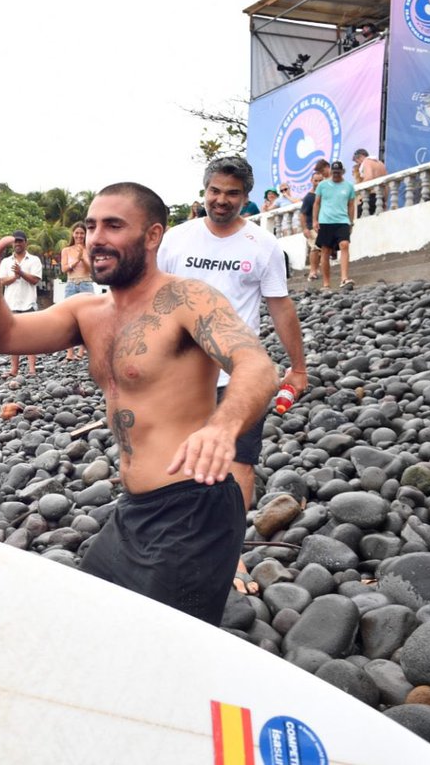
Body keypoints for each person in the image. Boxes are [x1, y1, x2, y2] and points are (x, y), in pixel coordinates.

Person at [0, 185, 277, 625]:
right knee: (92, 626)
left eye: (113, 226)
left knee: (161, 646)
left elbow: (257, 365)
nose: (96, 238)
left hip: (194, 508)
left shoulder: (188, 299)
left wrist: (223, 427)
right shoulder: (86, 311)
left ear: (153, 235)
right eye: (90, 226)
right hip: (134, 510)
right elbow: (0, 336)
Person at [157, 155, 309, 595]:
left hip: (240, 377)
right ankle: (173, 539)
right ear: (204, 190)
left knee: (239, 464)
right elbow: (152, 299)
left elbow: (280, 306)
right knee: (173, 460)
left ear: (246, 197)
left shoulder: (263, 246)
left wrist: (298, 367)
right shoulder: (175, 240)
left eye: (232, 194)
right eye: (215, 191)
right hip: (179, 375)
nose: (221, 200)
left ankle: (230, 552)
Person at [0, 230, 42, 378]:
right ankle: (14, 369)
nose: (17, 243)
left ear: (25, 242)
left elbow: (35, 280)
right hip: (11, 304)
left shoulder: (34, 260)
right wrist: (15, 276)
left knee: (31, 337)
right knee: (13, 338)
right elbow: (2, 281)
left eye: (20, 241)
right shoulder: (6, 262)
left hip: (28, 303)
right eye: (15, 241)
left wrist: (21, 273)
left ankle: (32, 369)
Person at [313, 160, 357, 288]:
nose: (336, 174)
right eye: (334, 172)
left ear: (342, 172)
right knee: (325, 250)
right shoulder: (322, 185)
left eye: (338, 172)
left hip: (342, 221)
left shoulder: (349, 186)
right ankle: (326, 283)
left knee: (344, 245)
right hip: (325, 221)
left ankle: (344, 278)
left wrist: (351, 222)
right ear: (331, 172)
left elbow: (351, 205)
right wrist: (315, 220)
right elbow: (317, 203)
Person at [60, 223, 93, 360]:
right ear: (73, 234)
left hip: (86, 283)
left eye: (82, 233)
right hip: (71, 284)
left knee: (87, 318)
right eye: (77, 233)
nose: (79, 236)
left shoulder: (90, 249)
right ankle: (69, 352)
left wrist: (82, 258)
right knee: (69, 319)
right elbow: (64, 269)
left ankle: (81, 351)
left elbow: (91, 269)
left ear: (86, 235)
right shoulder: (66, 250)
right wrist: (75, 261)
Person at [300, 172, 325, 281]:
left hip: (324, 225)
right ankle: (313, 271)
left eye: (320, 180)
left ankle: (319, 270)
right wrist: (305, 228)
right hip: (312, 226)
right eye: (316, 180)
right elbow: (302, 214)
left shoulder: (325, 194)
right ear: (311, 181)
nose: (318, 183)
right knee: (314, 248)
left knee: (323, 249)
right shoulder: (309, 197)